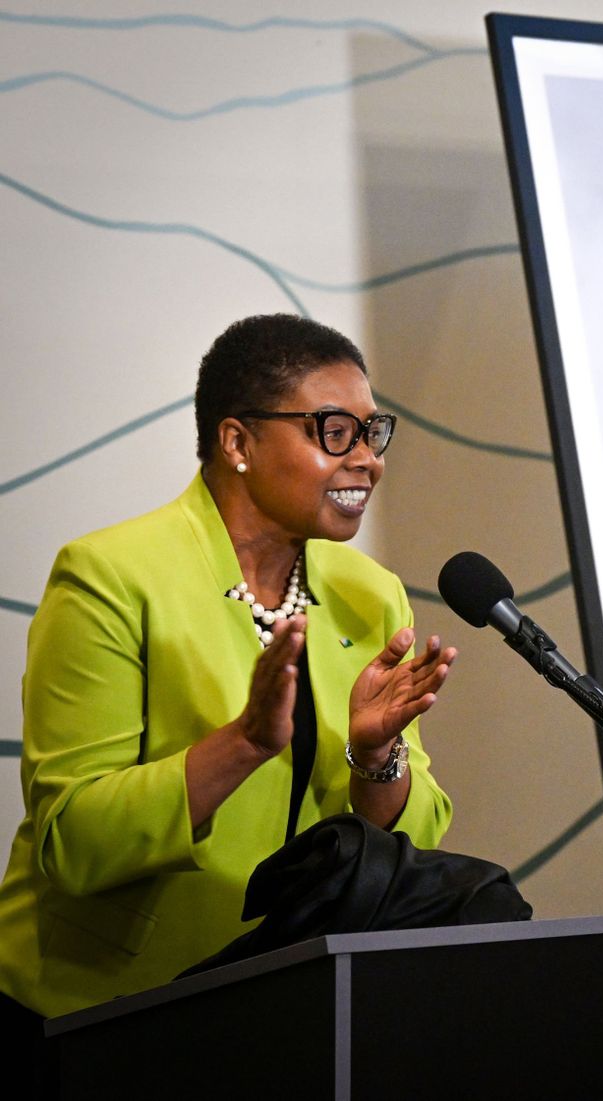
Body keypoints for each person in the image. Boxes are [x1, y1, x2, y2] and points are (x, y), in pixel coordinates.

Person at [0, 315, 455, 1082]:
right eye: (335, 431)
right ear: (238, 443)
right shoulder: (110, 576)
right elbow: (72, 841)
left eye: (373, 432)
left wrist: (376, 759)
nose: (369, 461)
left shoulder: (369, 595)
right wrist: (243, 742)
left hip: (277, 1009)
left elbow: (419, 836)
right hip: (95, 1019)